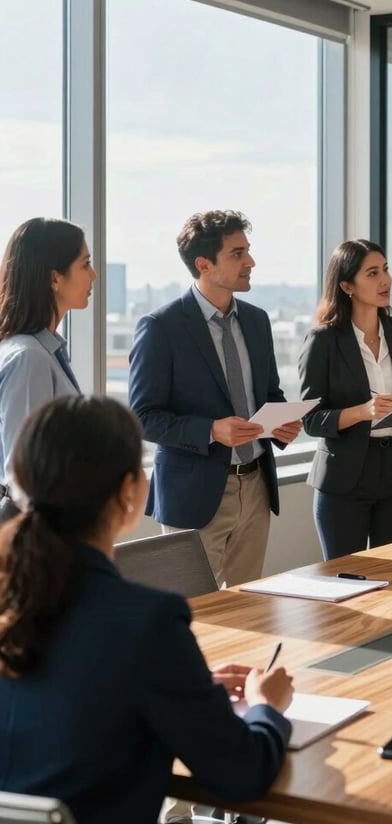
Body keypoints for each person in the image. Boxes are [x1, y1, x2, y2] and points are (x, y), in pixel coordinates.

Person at [0, 394, 294, 824]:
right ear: (128, 492)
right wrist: (265, 707)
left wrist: (180, 685)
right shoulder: (146, 623)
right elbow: (242, 773)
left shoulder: (17, 601)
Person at [129, 210, 302, 589]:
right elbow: (142, 416)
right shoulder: (161, 327)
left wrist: (281, 425)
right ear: (204, 264)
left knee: (248, 611)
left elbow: (269, 393)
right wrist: (211, 430)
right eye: (237, 253)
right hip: (194, 493)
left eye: (248, 251)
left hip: (255, 487)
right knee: (195, 612)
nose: (250, 262)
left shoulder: (257, 322)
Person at [297, 239, 392, 560]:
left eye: (385, 269)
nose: (385, 280)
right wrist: (362, 412)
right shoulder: (323, 341)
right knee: (345, 578)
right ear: (347, 285)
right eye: (372, 273)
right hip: (345, 478)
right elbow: (311, 420)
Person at [0, 217, 96, 521]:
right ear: (55, 278)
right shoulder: (30, 358)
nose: (93, 275)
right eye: (85, 264)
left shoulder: (41, 350)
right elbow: (25, 474)